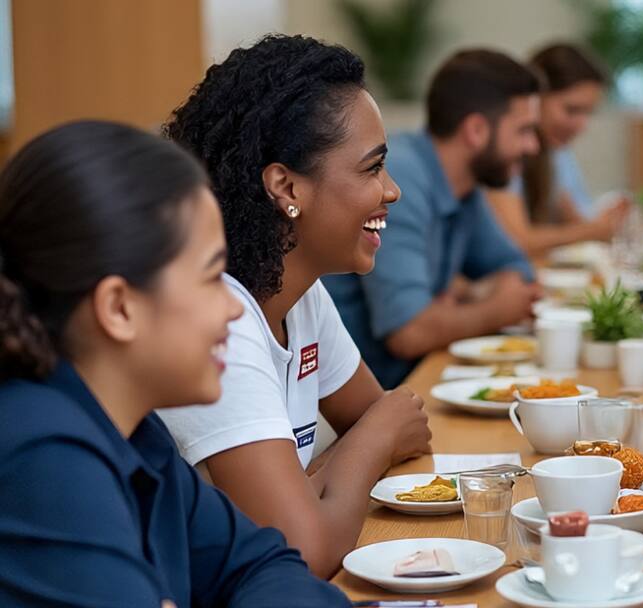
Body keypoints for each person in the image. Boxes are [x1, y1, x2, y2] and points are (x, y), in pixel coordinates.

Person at [0, 120, 349, 606]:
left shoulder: (138, 436)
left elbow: (266, 566)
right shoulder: (41, 454)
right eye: (211, 277)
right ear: (120, 308)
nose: (232, 307)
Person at [158, 35, 432, 579]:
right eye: (372, 168)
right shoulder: (222, 325)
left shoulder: (299, 292)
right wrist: (370, 442)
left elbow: (405, 433)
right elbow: (302, 554)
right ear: (286, 187)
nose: (392, 191)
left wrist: (323, 479)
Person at [323, 49, 543, 388]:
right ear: (476, 130)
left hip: (415, 381)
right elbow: (409, 332)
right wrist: (495, 308)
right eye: (524, 131)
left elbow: (517, 269)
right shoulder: (402, 180)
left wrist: (469, 295)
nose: (533, 147)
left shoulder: (464, 187)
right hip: (365, 399)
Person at [486, 43, 630, 257]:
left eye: (588, 113)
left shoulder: (555, 152)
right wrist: (592, 230)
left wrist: (603, 222)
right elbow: (517, 240)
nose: (582, 125)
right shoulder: (502, 150)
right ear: (535, 98)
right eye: (572, 110)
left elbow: (575, 218)